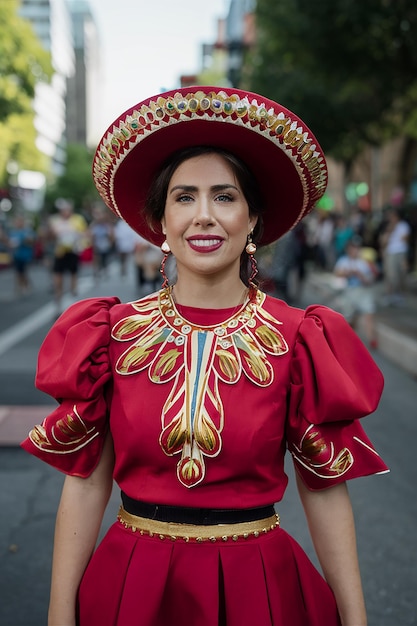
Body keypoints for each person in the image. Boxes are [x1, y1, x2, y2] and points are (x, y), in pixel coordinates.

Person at [21, 86, 388, 626]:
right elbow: (85, 483)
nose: (204, 216)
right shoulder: (108, 336)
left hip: (259, 588)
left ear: (253, 219)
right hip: (131, 584)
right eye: (184, 197)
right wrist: (59, 614)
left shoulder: (299, 339)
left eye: (225, 196)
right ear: (161, 222)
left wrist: (356, 620)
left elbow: (325, 493)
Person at [333, 236, 378, 349]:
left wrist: (361, 276)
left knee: (369, 313)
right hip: (350, 291)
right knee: (349, 318)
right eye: (352, 248)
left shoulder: (364, 262)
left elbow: (371, 279)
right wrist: (348, 273)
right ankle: (348, 341)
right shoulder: (343, 261)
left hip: (363, 291)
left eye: (356, 248)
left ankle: (371, 339)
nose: (354, 250)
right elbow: (337, 273)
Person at [48, 198, 88, 309]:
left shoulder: (78, 219)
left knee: (73, 276)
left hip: (73, 252)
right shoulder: (55, 221)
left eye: (67, 209)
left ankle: (73, 299)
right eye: (63, 210)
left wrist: (80, 240)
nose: (65, 212)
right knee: (58, 280)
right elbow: (50, 237)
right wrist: (52, 234)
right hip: (59, 253)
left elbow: (85, 233)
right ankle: (58, 304)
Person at [379, 207, 411, 305]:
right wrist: (390, 231)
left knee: (401, 274)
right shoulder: (388, 227)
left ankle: (399, 295)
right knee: (391, 275)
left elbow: (405, 239)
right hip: (390, 252)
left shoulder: (403, 226)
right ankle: (390, 295)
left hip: (401, 252)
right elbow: (383, 242)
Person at [7, 214, 35, 295]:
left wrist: (26, 239)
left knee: (23, 271)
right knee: (18, 272)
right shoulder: (13, 232)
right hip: (16, 255)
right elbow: (10, 243)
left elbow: (32, 242)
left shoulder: (27, 231)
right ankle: (21, 286)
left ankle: (25, 284)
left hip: (26, 255)